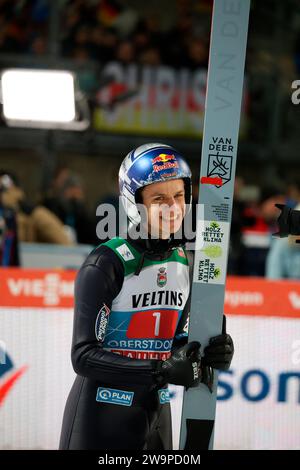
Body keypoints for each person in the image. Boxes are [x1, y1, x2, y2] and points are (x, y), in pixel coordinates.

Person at [59, 143, 234, 450]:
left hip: (157, 414)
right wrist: (161, 370)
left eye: (179, 195)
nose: (173, 207)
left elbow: (175, 339)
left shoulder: (184, 261)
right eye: (159, 198)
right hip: (102, 416)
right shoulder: (107, 262)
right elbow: (83, 356)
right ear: (133, 204)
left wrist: (210, 350)